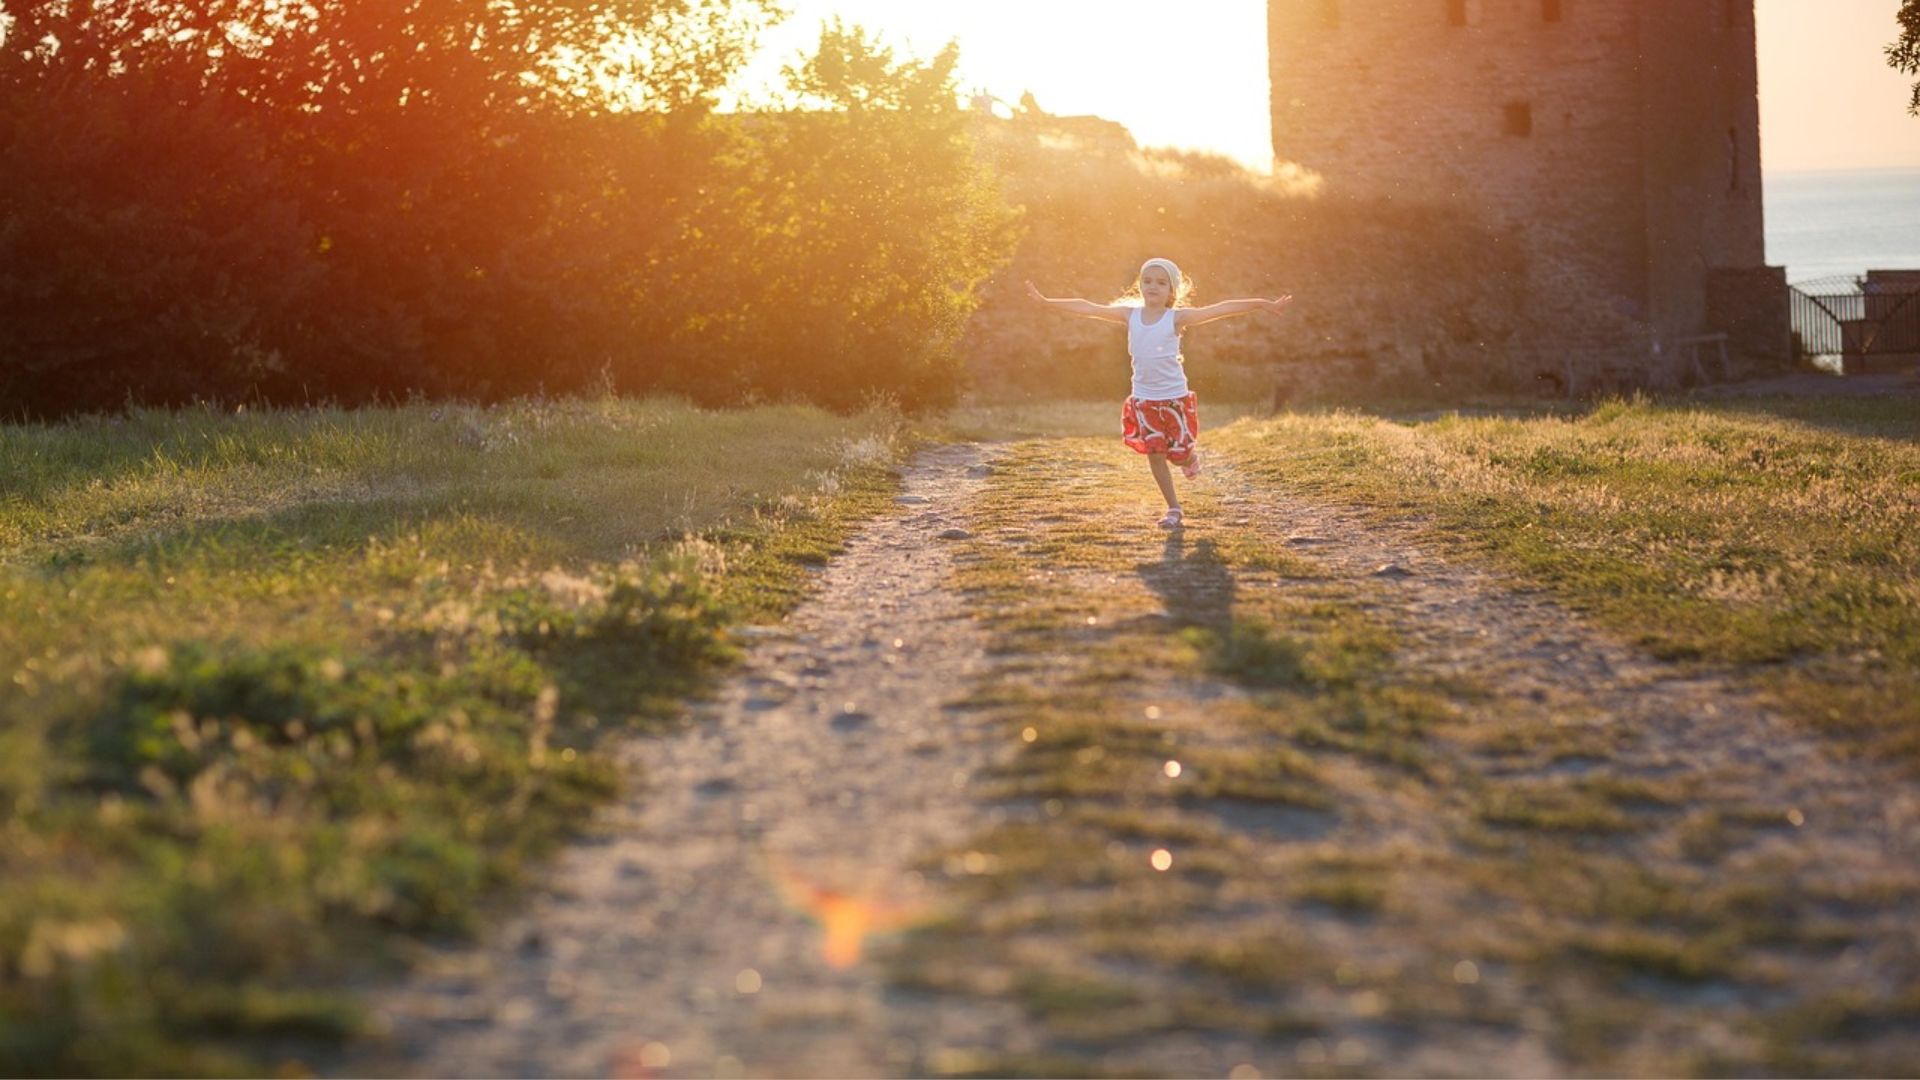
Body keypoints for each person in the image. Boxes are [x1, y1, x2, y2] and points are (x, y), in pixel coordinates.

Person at [1025, 259, 1292, 529]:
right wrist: (1047, 302)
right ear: (1140, 285)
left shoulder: (1176, 318)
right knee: (1155, 454)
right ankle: (1174, 508)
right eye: (1148, 281)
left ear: (1171, 290)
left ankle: (1189, 459)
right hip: (1144, 400)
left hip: (1175, 399)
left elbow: (1222, 309)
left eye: (1161, 282)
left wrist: (1261, 304)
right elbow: (1087, 307)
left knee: (1179, 455)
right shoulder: (1128, 315)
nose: (1153, 286)